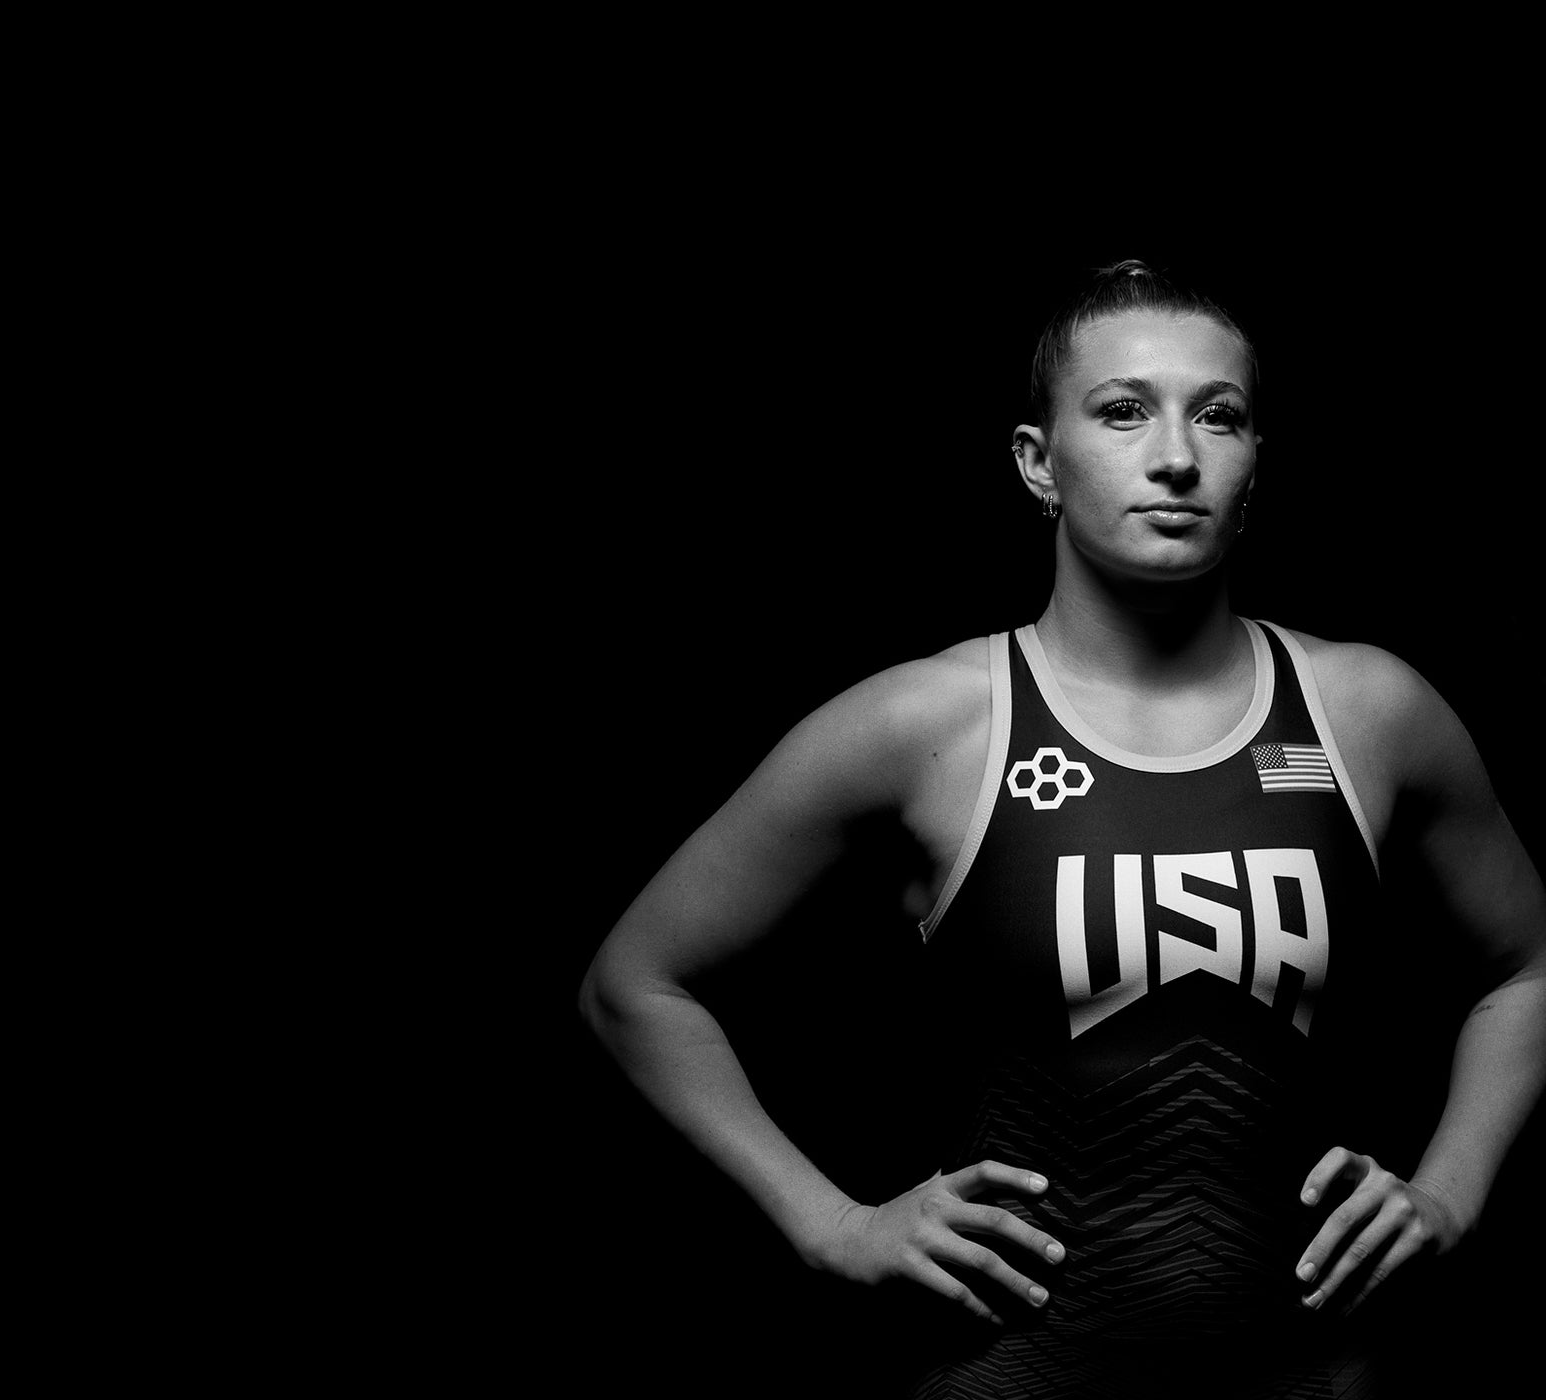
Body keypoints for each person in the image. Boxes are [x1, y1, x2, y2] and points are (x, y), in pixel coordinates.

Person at [577, 260, 1543, 1396]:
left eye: (1217, 415)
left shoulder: (1369, 714)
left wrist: (1450, 1192)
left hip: (1315, 1373)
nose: (1176, 455)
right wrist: (829, 1223)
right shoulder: (928, 726)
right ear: (1038, 462)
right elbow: (634, 984)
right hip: (1012, 1373)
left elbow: (1527, 968)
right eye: (1124, 410)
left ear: (1254, 462)